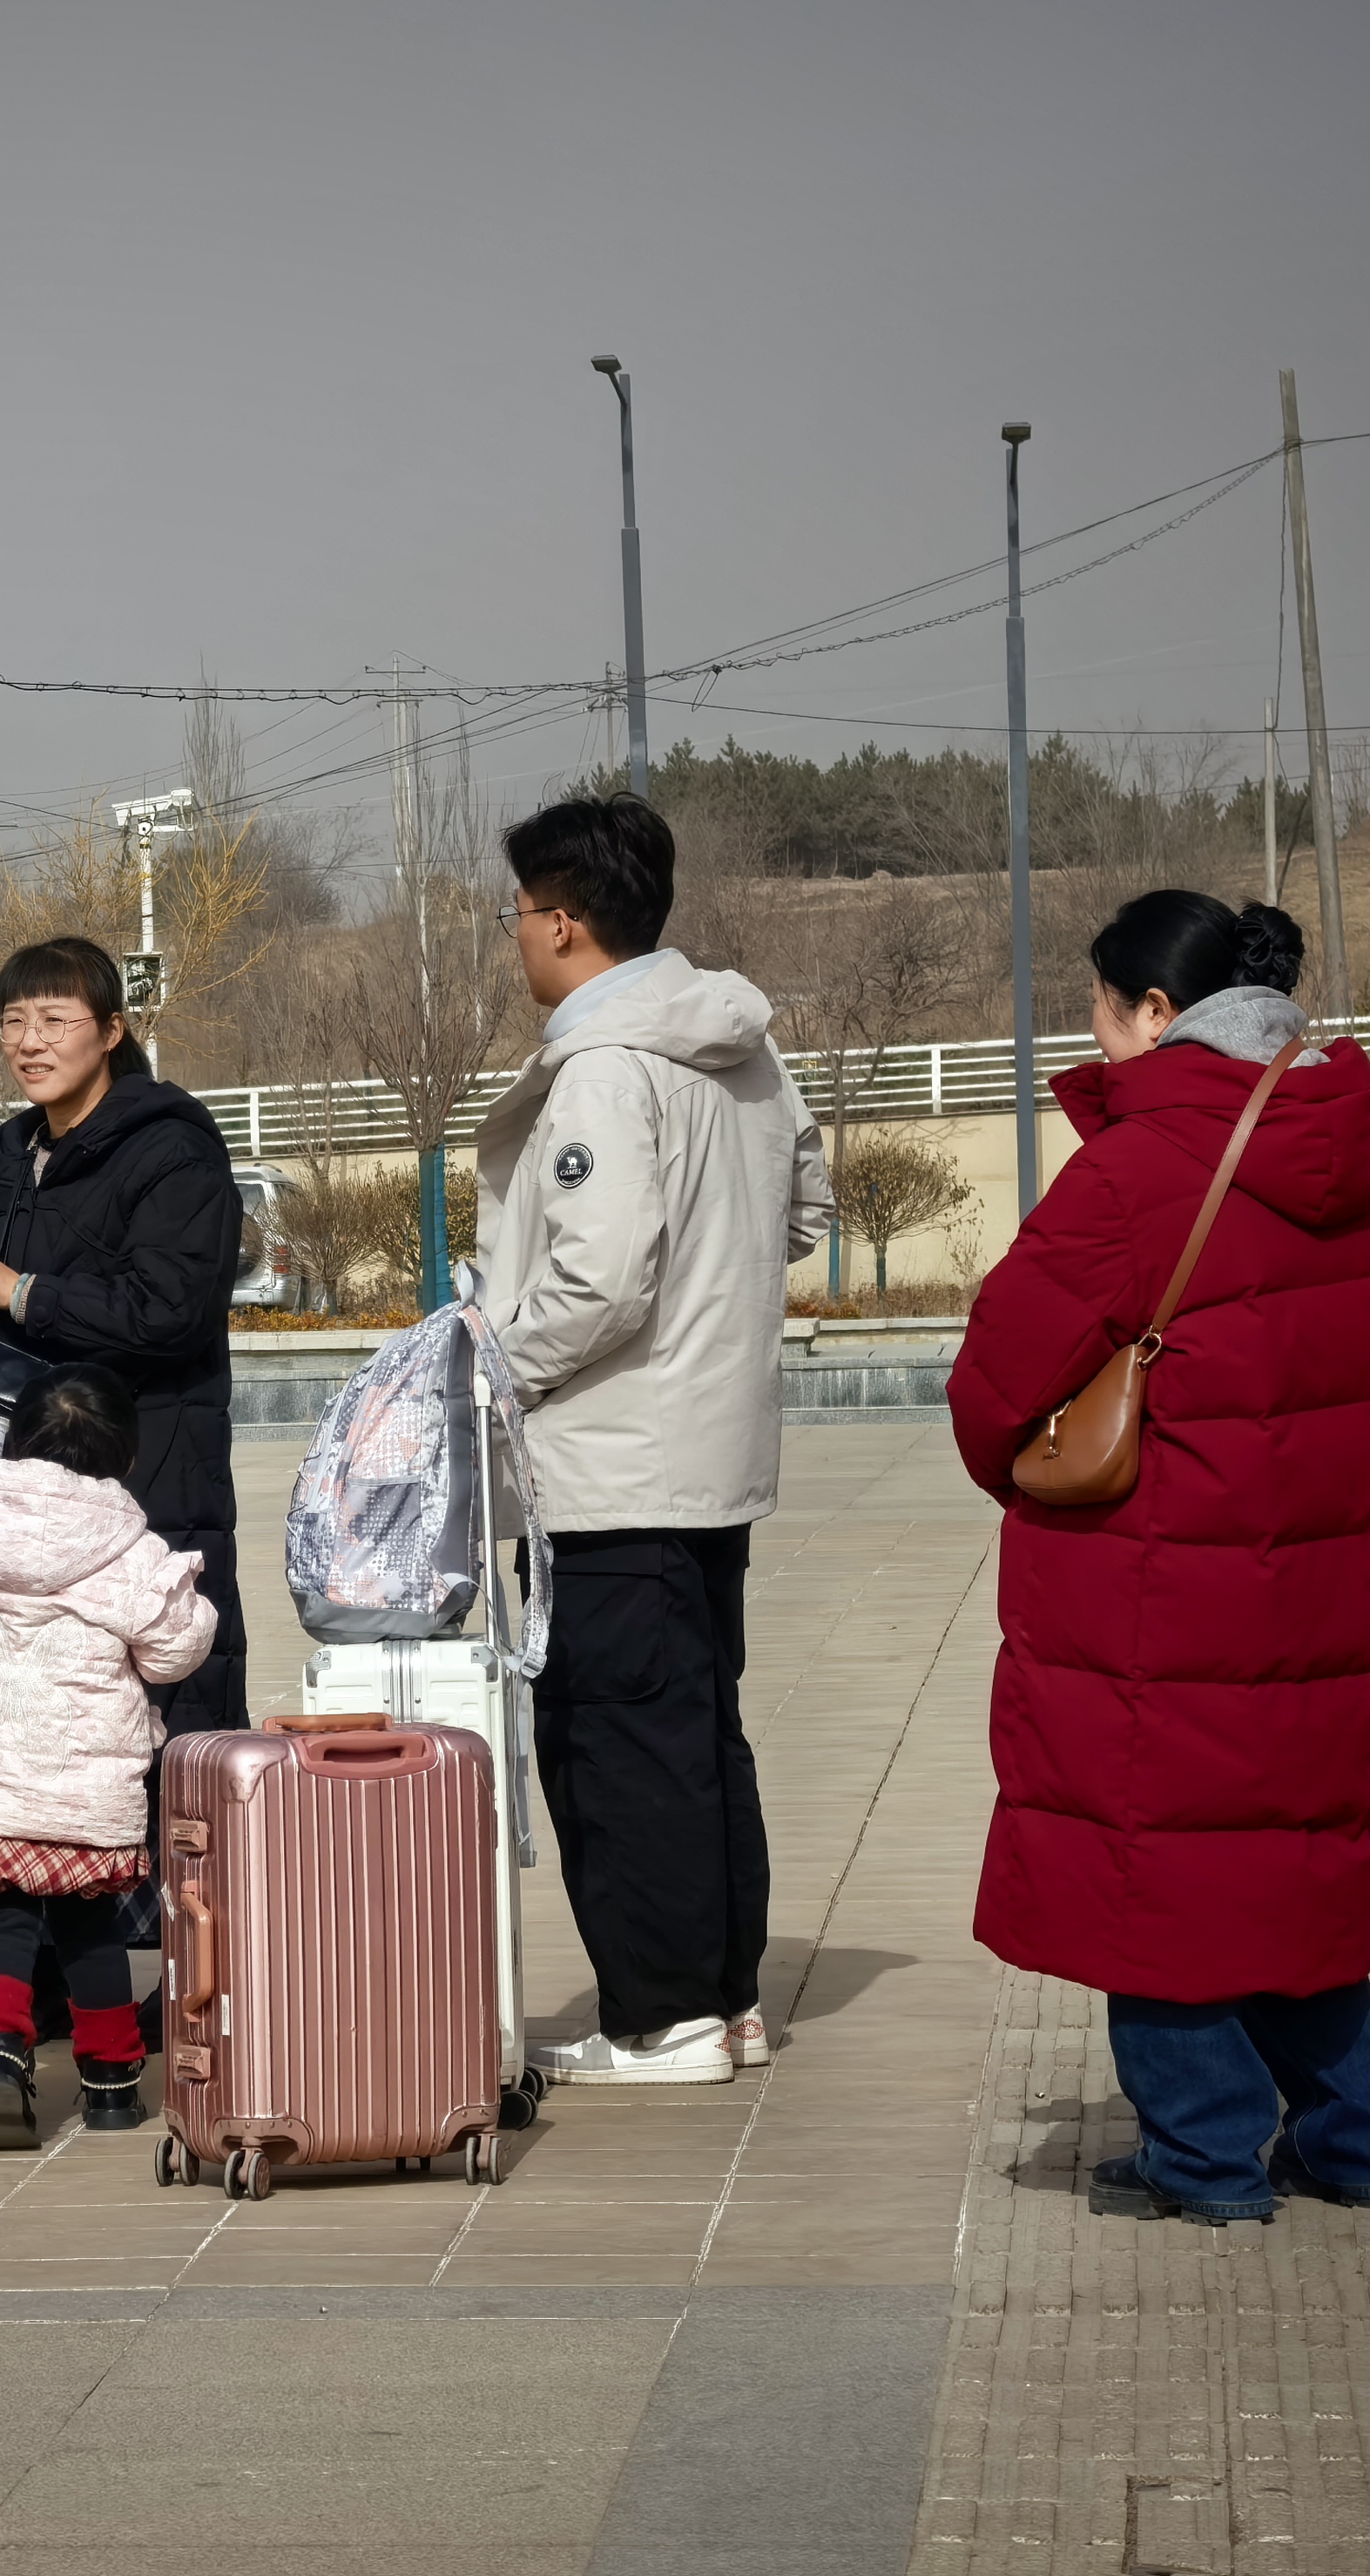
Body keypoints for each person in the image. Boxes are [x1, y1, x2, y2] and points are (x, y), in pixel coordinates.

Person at [950, 892, 1370, 2225]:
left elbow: (996, 1380)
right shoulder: (1357, 1160)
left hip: (1159, 1595)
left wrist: (1014, 1462)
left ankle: (1206, 2157)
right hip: (1319, 1595)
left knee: (1152, 1874)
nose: (1097, 1045)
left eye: (1102, 1015)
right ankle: (1362, 2135)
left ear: (1157, 1014)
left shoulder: (1141, 1169)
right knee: (1287, 1864)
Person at [472, 796, 830, 2088]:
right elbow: (802, 1217)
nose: (516, 938)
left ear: (563, 921)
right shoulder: (745, 1053)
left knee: (618, 1745)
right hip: (707, 1452)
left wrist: (479, 1367)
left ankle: (665, 2017)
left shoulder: (610, 1068)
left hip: (609, 1466)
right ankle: (724, 1999)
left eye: (518, 915)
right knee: (695, 1730)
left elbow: (600, 1284)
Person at [0, 934, 247, 2043]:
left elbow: (167, 1314)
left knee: (158, 1719)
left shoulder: (171, 1149)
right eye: (12, 1022)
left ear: (111, 1030)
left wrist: (19, 1290)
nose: (28, 1042)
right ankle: (43, 1985)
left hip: (141, 1479)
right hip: (5, 1492)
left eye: (54, 1020)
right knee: (8, 1728)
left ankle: (192, 1981)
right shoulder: (7, 1153)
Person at [0, 1363, 217, 2147]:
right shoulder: (128, 1548)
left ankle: (1, 2055)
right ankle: (109, 2083)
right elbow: (179, 1649)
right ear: (126, 1460)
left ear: (18, 1440)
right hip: (83, 1788)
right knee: (91, 1928)